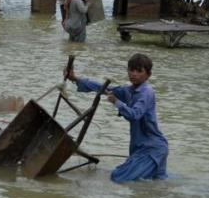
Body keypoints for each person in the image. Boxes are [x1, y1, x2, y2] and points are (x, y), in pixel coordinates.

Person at [65, 53, 168, 182]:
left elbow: (135, 115)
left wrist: (117, 103)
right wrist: (75, 79)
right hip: (143, 149)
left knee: (118, 177)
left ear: (148, 75)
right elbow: (103, 88)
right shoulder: (129, 90)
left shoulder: (146, 92)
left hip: (151, 150)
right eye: (131, 70)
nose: (134, 74)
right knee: (158, 183)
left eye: (139, 71)